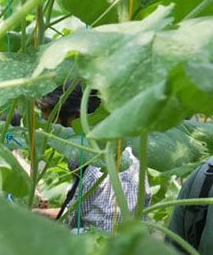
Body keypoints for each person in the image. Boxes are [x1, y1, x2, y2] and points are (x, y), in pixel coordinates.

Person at [33, 83, 148, 230]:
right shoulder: (86, 156)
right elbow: (86, 215)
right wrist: (38, 215)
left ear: (78, 118)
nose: (50, 132)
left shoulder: (112, 169)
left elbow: (105, 240)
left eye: (54, 124)